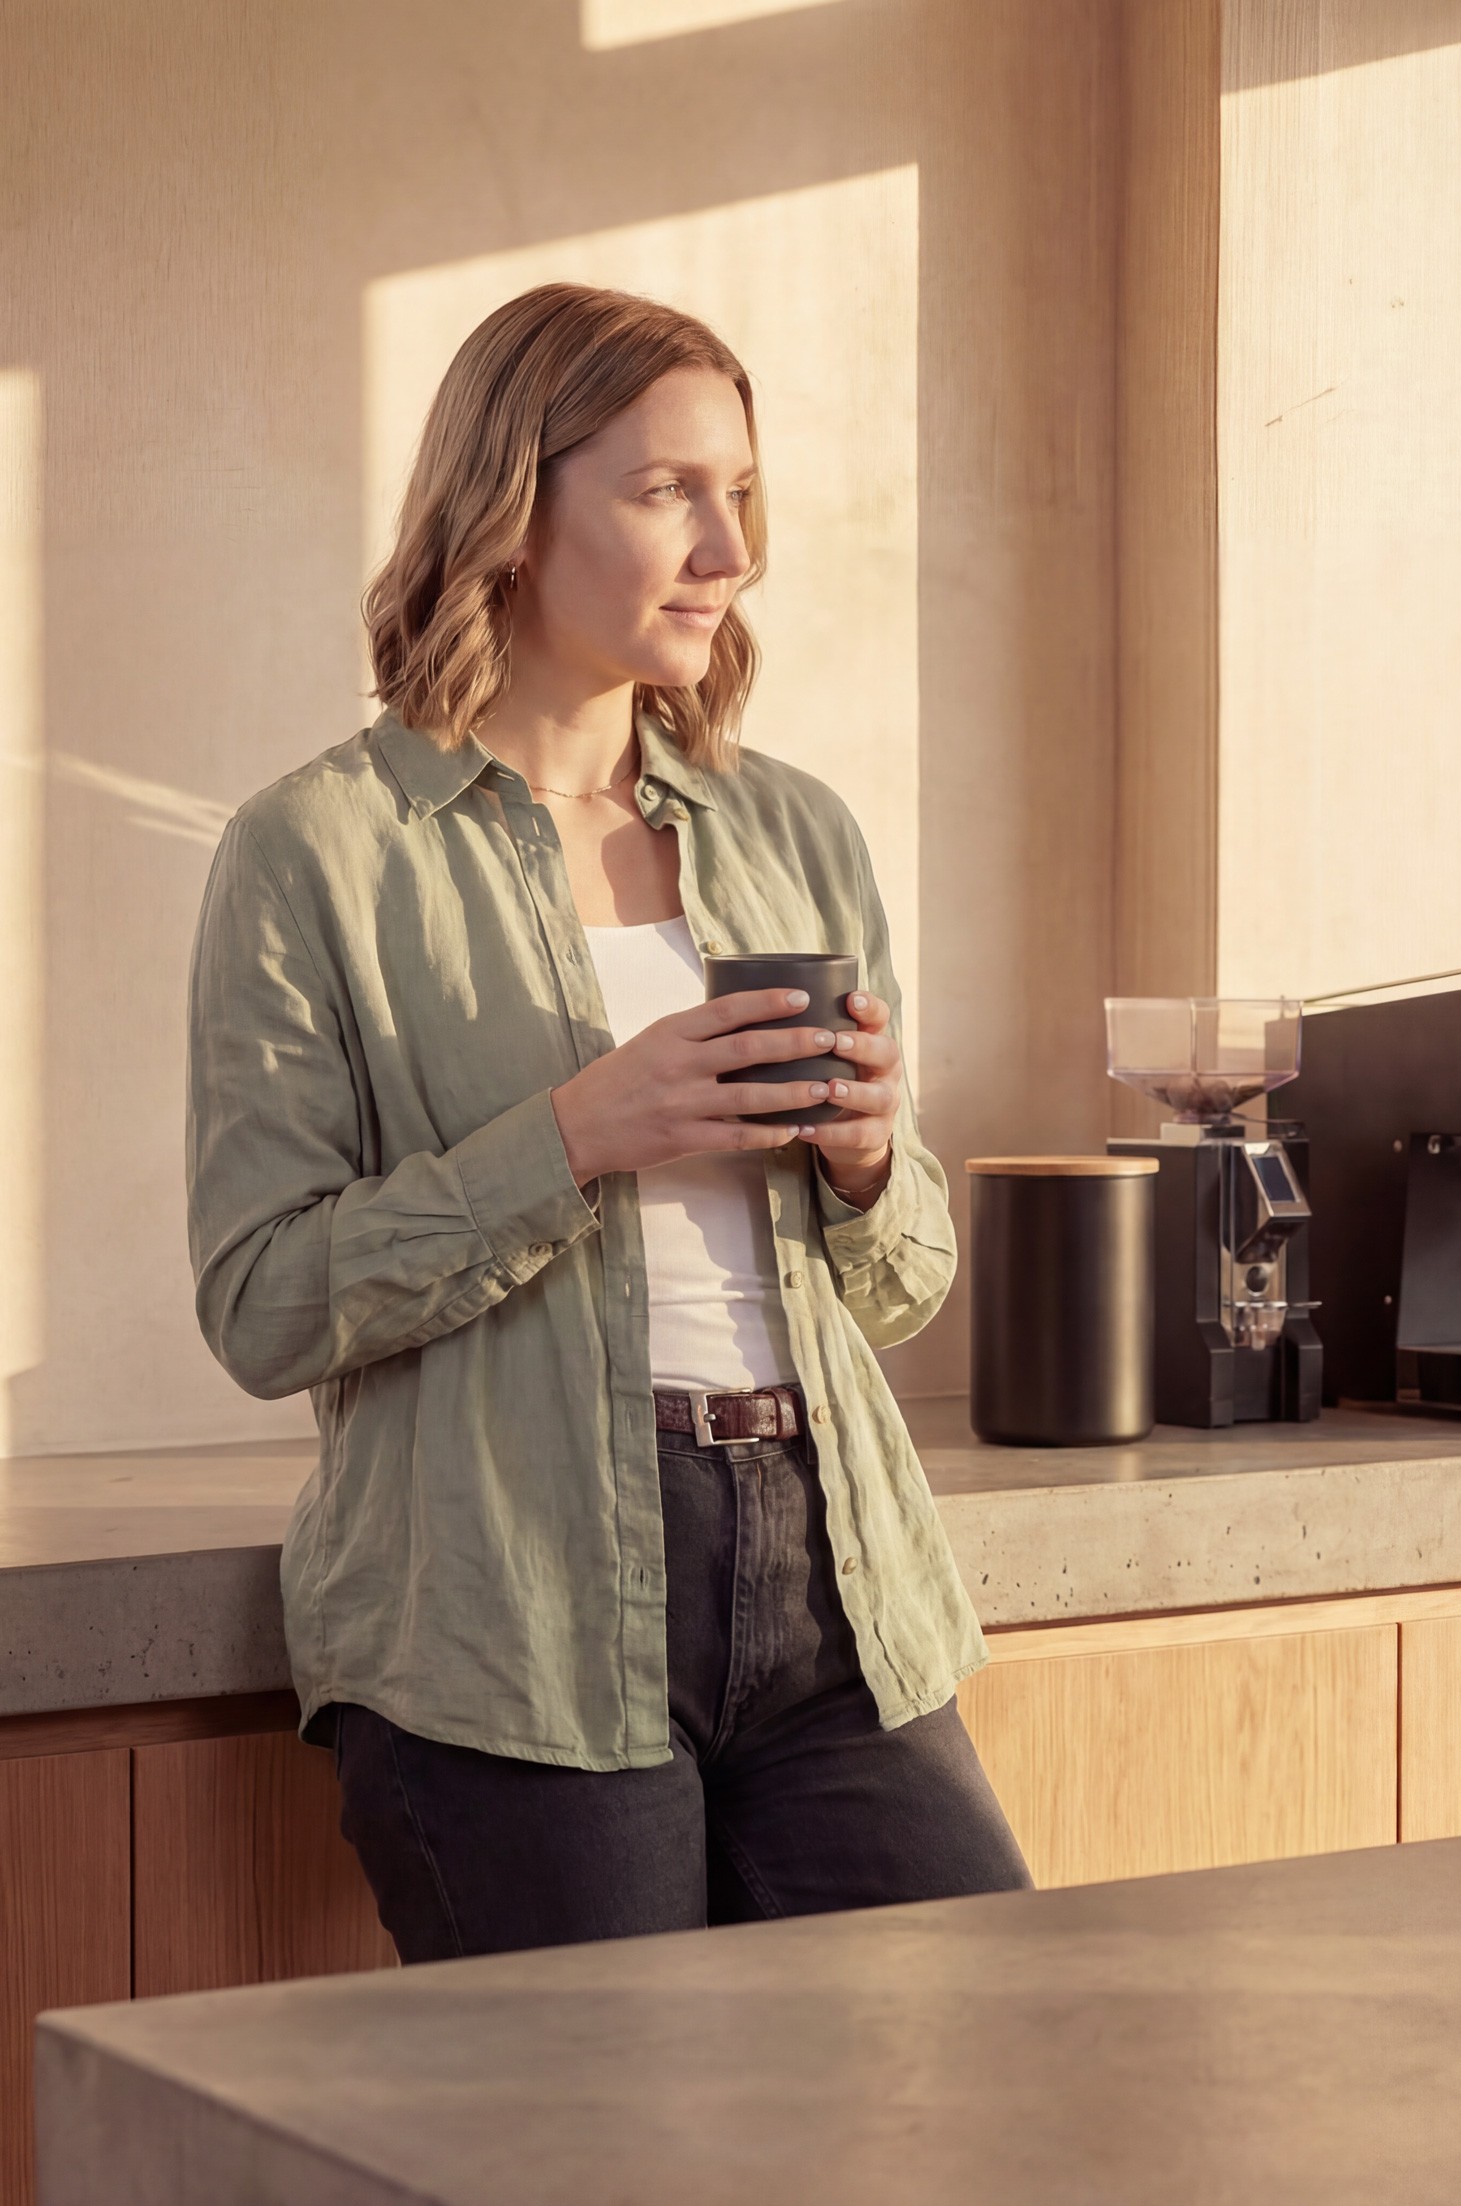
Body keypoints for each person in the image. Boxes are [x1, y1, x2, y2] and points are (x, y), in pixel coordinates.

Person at [184, 282, 1031, 1961]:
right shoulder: (317, 853)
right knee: (610, 2101)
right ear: (511, 509)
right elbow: (262, 1301)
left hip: (832, 1576)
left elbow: (903, 1284)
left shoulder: (794, 831)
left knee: (983, 2045)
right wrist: (569, 1138)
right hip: (510, 1612)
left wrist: (868, 1161)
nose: (731, 550)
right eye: (667, 493)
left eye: (741, 493)